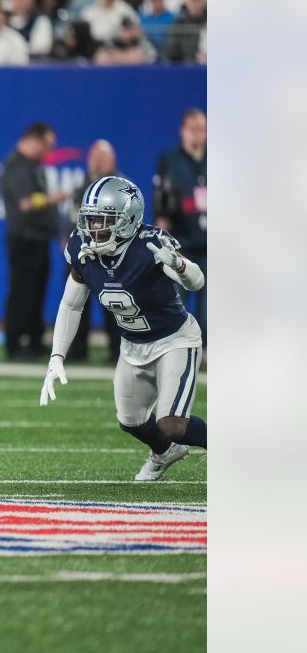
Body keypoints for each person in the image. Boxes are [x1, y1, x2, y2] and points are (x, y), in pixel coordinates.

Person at [41, 175, 206, 482]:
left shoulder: (150, 245)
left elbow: (197, 282)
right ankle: (165, 452)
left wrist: (180, 265)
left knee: (171, 425)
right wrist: (56, 356)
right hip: (132, 345)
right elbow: (71, 305)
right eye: (90, 220)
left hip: (174, 339)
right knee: (130, 420)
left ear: (127, 220)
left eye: (103, 220)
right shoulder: (83, 249)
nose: (93, 229)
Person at [0, 122, 65, 360]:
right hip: (24, 238)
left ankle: (35, 341)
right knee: (21, 292)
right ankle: (15, 343)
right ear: (34, 140)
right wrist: (52, 198)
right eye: (47, 146)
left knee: (37, 292)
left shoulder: (34, 165)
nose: (48, 152)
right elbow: (25, 203)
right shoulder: (16, 165)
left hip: (39, 238)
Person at [153, 108, 207, 347]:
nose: (198, 134)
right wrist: (163, 240)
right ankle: (179, 347)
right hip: (181, 242)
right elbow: (162, 201)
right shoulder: (171, 160)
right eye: (193, 129)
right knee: (178, 302)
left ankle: (207, 349)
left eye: (202, 129)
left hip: (211, 243)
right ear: (183, 131)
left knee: (211, 304)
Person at [67, 139, 122, 363]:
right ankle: (77, 349)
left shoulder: (120, 186)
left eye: (103, 158)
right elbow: (72, 215)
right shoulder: (83, 186)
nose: (98, 163)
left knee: (115, 303)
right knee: (76, 302)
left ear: (113, 161)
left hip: (111, 254)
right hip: (83, 253)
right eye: (95, 158)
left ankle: (118, 349)